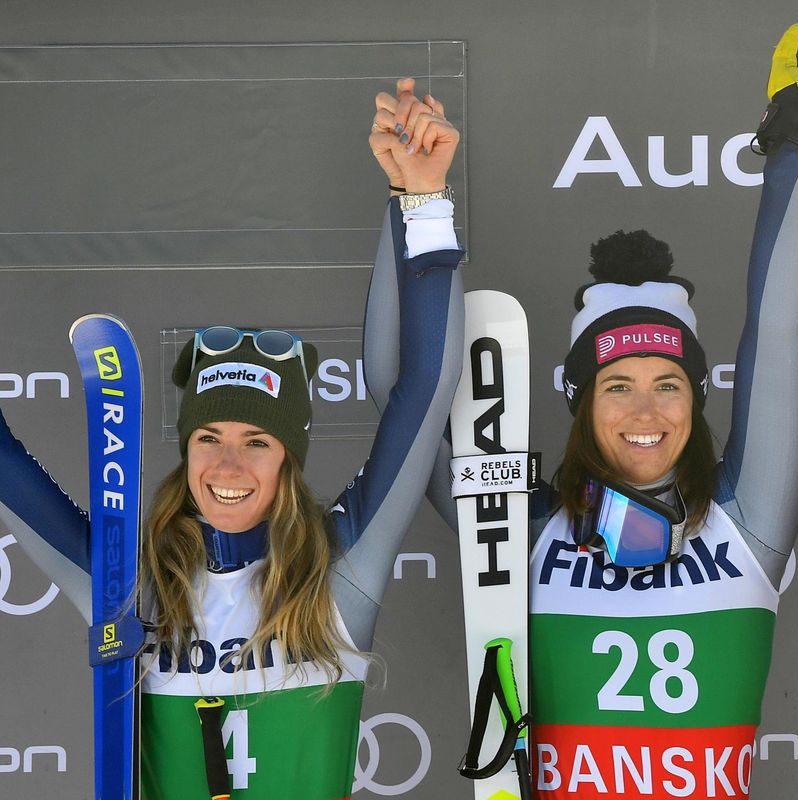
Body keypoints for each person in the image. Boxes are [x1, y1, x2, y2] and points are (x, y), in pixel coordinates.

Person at [398, 23, 798, 798]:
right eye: (617, 386)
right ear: (580, 402)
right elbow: (410, 407)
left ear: (697, 396)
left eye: (668, 383)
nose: (645, 410)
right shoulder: (521, 529)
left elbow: (776, 319)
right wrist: (419, 203)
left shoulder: (747, 518)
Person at [0, 78, 463, 799]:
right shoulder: (131, 584)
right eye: (208, 437)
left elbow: (425, 386)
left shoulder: (341, 571)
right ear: (185, 451)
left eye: (258, 442)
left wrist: (425, 201)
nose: (227, 463)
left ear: (289, 461)